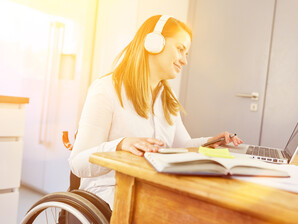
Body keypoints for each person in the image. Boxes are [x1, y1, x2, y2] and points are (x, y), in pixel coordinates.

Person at [68, 15, 243, 209]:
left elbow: (181, 145)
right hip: (109, 192)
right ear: (154, 43)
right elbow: (78, 163)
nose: (184, 61)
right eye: (180, 49)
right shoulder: (106, 89)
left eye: (187, 53)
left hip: (152, 189)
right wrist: (120, 145)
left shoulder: (168, 97)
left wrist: (209, 143)